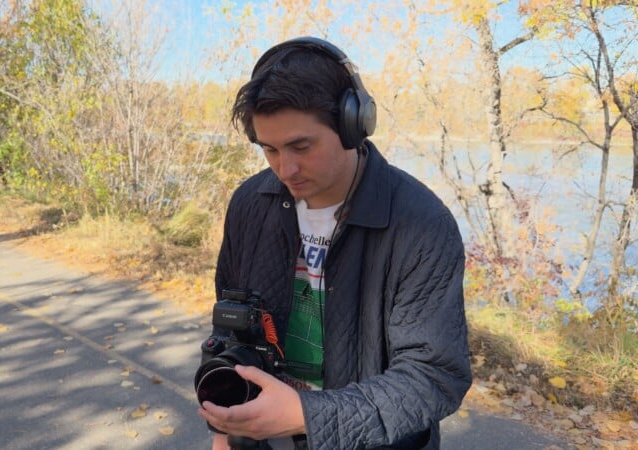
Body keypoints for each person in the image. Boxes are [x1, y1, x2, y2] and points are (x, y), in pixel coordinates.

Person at [197, 36, 471, 450]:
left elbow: (432, 377)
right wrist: (225, 432)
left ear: (351, 124)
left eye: (301, 146)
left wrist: (308, 416)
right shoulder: (249, 204)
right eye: (269, 149)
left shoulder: (422, 224)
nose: (284, 168)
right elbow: (230, 327)